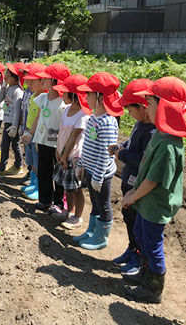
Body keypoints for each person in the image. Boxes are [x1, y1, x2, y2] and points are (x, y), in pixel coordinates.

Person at [122, 76, 186, 304]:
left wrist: (132, 195)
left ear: (164, 107)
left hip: (155, 203)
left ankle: (153, 288)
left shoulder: (170, 144)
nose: (147, 109)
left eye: (150, 103)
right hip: (146, 202)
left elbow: (153, 180)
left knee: (152, 245)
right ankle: (144, 275)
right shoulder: (160, 134)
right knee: (142, 237)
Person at [109, 79, 156, 276]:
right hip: (128, 182)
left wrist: (122, 155)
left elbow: (144, 161)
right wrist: (122, 146)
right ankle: (131, 248)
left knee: (138, 224)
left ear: (144, 107)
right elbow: (131, 141)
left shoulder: (153, 132)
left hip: (138, 186)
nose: (128, 112)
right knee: (129, 219)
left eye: (130, 108)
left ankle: (139, 258)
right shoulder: (139, 124)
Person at [73, 72, 123, 250]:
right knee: (94, 203)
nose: (86, 97)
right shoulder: (94, 117)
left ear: (100, 97)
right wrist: (81, 165)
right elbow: (87, 145)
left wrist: (99, 177)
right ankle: (91, 231)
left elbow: (105, 153)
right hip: (90, 169)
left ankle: (101, 237)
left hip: (101, 173)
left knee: (103, 205)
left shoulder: (108, 122)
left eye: (89, 94)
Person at [22, 63, 69, 212]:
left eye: (45, 78)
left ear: (55, 81)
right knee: (44, 171)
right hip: (42, 140)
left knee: (59, 175)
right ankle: (45, 200)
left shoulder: (63, 103)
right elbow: (38, 116)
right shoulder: (42, 98)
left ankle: (59, 203)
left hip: (57, 145)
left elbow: (64, 126)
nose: (41, 81)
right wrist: (31, 134)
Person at [50, 74, 91, 228]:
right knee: (67, 187)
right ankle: (69, 212)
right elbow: (62, 132)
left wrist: (65, 155)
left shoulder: (83, 115)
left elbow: (74, 137)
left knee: (76, 188)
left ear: (74, 95)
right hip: (63, 155)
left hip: (74, 157)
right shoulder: (66, 109)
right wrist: (58, 151)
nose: (62, 94)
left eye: (65, 92)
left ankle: (78, 217)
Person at [0, 63, 24, 175]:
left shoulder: (18, 91)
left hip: (13, 123)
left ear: (15, 77)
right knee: (4, 145)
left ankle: (18, 166)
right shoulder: (8, 88)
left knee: (15, 144)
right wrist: (3, 86)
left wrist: (14, 126)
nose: (5, 76)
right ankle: (1, 167)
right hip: (7, 121)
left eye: (8, 74)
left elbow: (18, 110)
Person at [20, 63, 47, 200]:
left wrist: (31, 132)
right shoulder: (33, 95)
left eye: (32, 81)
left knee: (37, 162)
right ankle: (32, 183)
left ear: (42, 81)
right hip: (29, 131)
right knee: (30, 160)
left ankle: (38, 188)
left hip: (36, 134)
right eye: (28, 81)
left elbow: (39, 119)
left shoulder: (44, 98)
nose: (29, 84)